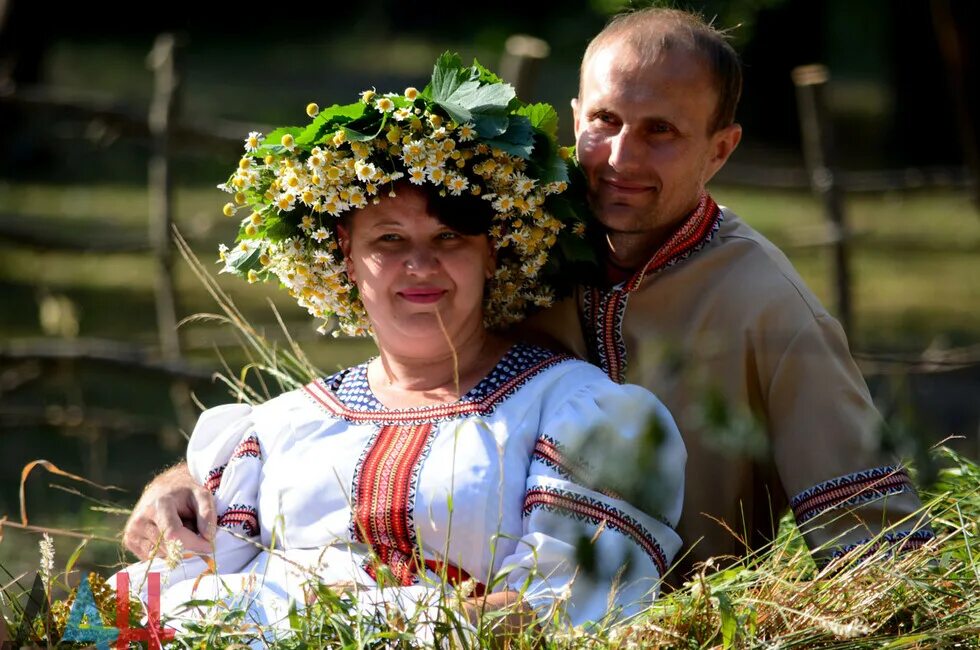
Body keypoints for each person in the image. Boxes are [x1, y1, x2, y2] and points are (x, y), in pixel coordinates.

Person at [118, 54, 686, 640]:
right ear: (345, 253)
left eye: (450, 237)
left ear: (493, 252)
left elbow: (561, 612)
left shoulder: (574, 411)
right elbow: (179, 593)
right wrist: (173, 490)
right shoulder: (285, 425)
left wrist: (360, 622)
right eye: (389, 239)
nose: (420, 265)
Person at [522, 7, 932, 570]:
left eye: (659, 130)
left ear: (721, 149)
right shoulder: (518, 248)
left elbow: (878, 548)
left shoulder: (769, 305)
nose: (622, 157)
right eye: (606, 119)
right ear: (575, 120)